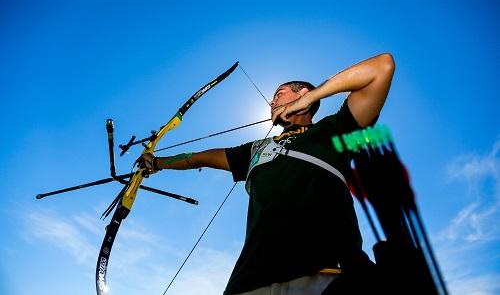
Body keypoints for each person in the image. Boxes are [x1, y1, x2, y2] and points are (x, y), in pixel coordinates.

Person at [139, 53, 395, 295]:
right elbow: (198, 158)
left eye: (279, 94)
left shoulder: (335, 132)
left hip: (324, 276)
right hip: (248, 282)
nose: (271, 102)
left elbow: (382, 67)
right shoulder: (256, 150)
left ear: (303, 93)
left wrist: (310, 97)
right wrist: (157, 162)